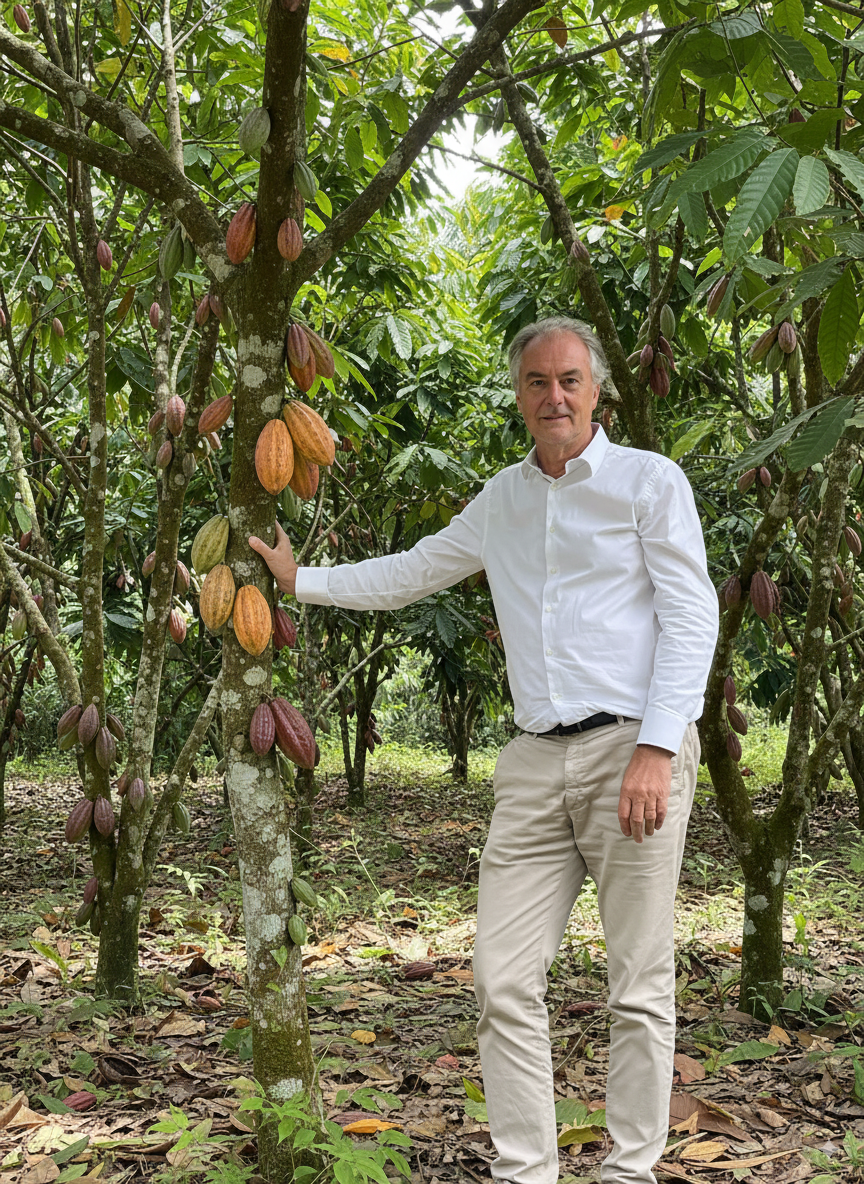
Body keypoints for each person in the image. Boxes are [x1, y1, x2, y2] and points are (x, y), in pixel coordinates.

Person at [250, 316, 719, 1184]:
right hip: (535, 761)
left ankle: (630, 1171)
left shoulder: (649, 482)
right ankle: (525, 1170)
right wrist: (298, 581)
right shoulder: (503, 498)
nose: (555, 397)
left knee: (638, 985)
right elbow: (412, 571)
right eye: (537, 382)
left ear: (597, 390)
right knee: (501, 980)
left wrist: (659, 746)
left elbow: (692, 616)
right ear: (519, 394)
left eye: (569, 380)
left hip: (633, 750)